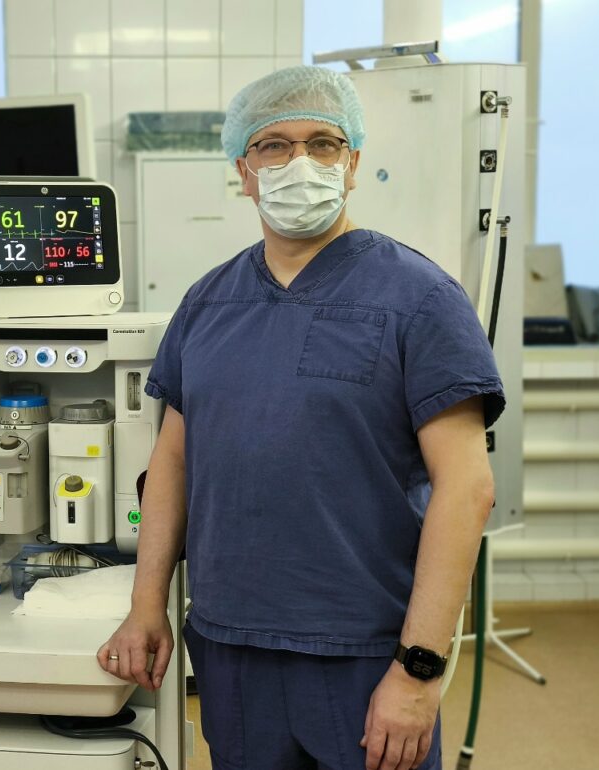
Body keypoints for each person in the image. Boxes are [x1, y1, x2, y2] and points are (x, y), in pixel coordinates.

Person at [98, 65, 504, 770]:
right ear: (244, 171)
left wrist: (419, 669)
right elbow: (172, 463)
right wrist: (146, 604)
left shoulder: (421, 298)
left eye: (322, 143)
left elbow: (467, 489)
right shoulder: (207, 303)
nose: (299, 162)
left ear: (352, 163)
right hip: (232, 646)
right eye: (273, 145)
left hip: (365, 648)